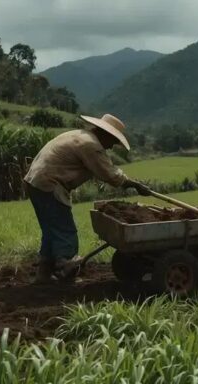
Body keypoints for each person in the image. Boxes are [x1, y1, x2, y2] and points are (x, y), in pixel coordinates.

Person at [23, 113, 149, 283]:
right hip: (50, 184)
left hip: (35, 182)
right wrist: (135, 184)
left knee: (51, 231)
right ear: (106, 134)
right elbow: (110, 174)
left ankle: (43, 274)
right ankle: (66, 271)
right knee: (65, 231)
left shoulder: (77, 135)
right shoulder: (91, 145)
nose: (111, 147)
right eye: (112, 142)